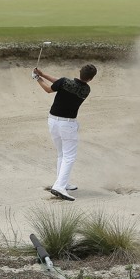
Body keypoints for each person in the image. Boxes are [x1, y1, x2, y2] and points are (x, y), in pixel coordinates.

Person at [34, 63, 97, 201]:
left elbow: (49, 89)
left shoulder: (64, 82)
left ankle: (61, 182)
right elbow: (59, 83)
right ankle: (60, 187)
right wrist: (42, 75)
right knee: (69, 157)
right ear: (91, 79)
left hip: (53, 121)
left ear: (79, 71)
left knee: (61, 154)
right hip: (67, 125)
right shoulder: (86, 89)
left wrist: (38, 79)